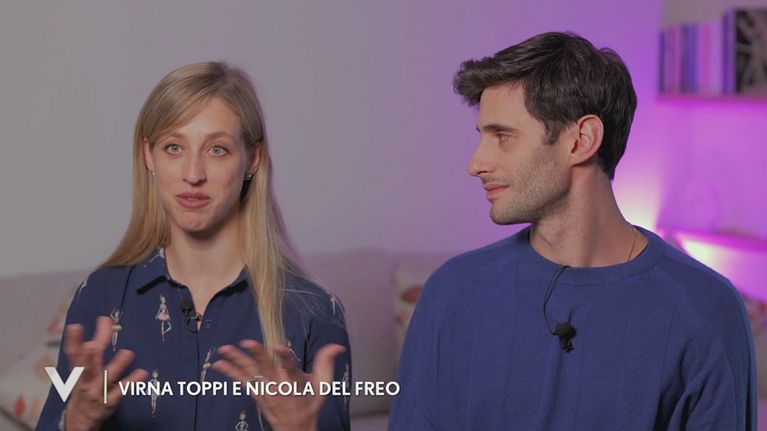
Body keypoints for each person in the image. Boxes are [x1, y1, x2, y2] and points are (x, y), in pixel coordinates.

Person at [388, 32, 757, 430]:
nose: (476, 163)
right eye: (482, 136)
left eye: (503, 136)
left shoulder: (705, 310)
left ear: (582, 140)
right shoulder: (451, 294)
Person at [36, 62, 351, 431]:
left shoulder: (314, 311)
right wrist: (76, 422)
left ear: (252, 159)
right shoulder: (99, 297)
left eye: (217, 149)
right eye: (174, 147)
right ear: (149, 155)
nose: (193, 174)